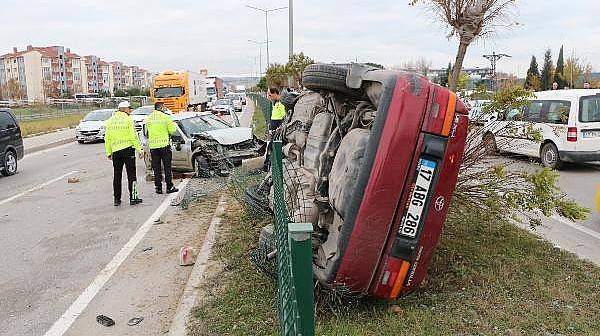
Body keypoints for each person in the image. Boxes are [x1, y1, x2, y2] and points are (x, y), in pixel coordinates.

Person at [105, 101, 144, 206]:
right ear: (124, 109)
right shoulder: (128, 120)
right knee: (131, 174)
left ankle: (117, 199)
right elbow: (133, 136)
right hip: (128, 150)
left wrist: (109, 152)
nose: (130, 110)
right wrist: (139, 150)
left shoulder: (110, 121)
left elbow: (107, 138)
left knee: (117, 175)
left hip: (116, 152)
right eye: (129, 108)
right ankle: (133, 197)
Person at [145, 102, 178, 194]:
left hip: (153, 147)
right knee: (167, 167)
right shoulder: (166, 117)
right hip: (164, 146)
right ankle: (169, 187)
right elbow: (172, 130)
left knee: (156, 168)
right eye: (164, 107)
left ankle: (158, 188)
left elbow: (147, 132)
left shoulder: (149, 118)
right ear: (161, 107)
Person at [262, 87, 287, 171]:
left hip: (278, 130)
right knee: (270, 147)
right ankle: (268, 165)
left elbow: (284, 118)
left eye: (270, 95)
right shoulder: (275, 103)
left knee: (271, 147)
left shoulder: (281, 104)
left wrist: (279, 128)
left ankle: (268, 166)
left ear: (275, 93)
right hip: (273, 130)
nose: (269, 97)